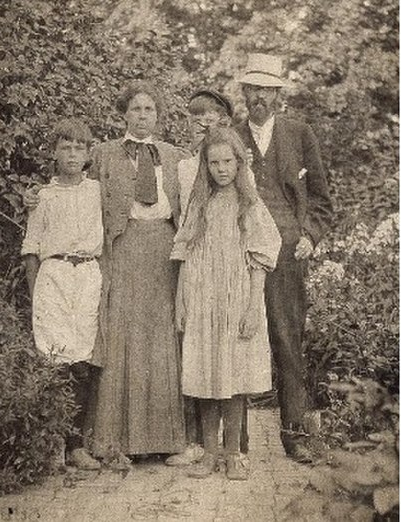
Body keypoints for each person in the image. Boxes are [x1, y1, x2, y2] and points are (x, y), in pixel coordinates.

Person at [235, 53, 333, 462]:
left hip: (289, 254)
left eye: (266, 89)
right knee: (234, 339)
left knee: (287, 341)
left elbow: (323, 202)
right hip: (238, 253)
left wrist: (310, 235)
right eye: (252, 89)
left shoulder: (299, 134)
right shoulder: (230, 136)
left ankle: (294, 435)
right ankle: (233, 444)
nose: (259, 96)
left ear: (278, 94)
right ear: (243, 93)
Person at [171, 127, 281, 480]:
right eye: (214, 162)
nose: (221, 169)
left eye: (228, 161)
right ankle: (209, 453)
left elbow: (260, 258)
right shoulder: (199, 205)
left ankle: (233, 453)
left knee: (233, 375)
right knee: (204, 373)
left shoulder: (249, 204)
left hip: (236, 300)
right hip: (203, 299)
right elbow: (185, 255)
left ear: (239, 162)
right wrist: (181, 301)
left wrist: (252, 307)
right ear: (205, 165)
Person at [88, 80, 186, 461]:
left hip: (164, 249)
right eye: (136, 109)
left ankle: (166, 441)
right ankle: (116, 441)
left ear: (158, 116)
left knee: (162, 336)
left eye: (149, 110)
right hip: (124, 247)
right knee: (122, 334)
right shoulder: (102, 153)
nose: (143, 116)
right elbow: (77, 191)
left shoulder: (176, 157)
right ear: (124, 114)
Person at [21, 118, 103, 470]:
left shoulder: (97, 191)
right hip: (52, 276)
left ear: (87, 154)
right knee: (54, 358)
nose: (72, 154)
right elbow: (31, 247)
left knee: (83, 358)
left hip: (87, 274)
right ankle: (53, 443)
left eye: (79, 148)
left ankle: (76, 445)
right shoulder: (42, 196)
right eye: (65, 147)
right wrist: (35, 293)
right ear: (54, 153)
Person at [165, 88, 235, 468]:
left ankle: (233, 446)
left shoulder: (230, 163)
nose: (205, 126)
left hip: (228, 267)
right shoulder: (183, 166)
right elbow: (178, 215)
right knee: (193, 350)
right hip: (192, 261)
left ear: (222, 123)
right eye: (197, 120)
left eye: (213, 119)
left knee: (227, 354)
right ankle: (196, 441)